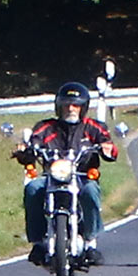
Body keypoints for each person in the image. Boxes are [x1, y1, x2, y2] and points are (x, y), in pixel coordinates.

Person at [13, 82, 119, 265]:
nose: (71, 108)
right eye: (66, 104)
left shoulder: (94, 127)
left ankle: (91, 242)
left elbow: (109, 146)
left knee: (91, 191)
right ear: (59, 106)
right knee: (32, 188)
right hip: (52, 177)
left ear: (83, 107)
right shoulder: (45, 127)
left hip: (82, 176)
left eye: (76, 105)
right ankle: (37, 242)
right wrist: (25, 149)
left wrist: (107, 148)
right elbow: (33, 143)